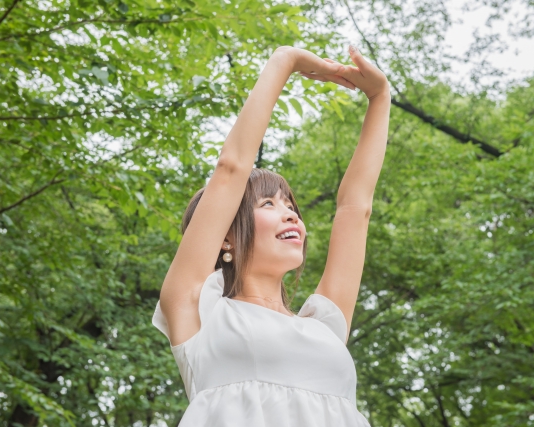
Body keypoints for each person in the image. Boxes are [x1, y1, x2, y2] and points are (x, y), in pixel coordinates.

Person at [152, 44, 391, 426]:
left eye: (291, 206)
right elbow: (232, 167)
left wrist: (380, 97)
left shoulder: (324, 326)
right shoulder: (200, 310)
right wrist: (286, 60)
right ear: (225, 237)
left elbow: (355, 209)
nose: (290, 215)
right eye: (268, 205)